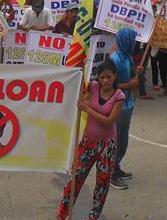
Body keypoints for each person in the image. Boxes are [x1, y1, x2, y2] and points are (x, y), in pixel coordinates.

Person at [56, 60, 125, 220]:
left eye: (109, 77)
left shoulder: (119, 96)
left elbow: (108, 121)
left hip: (107, 146)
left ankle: (93, 216)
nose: (105, 81)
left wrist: (88, 109)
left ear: (114, 76)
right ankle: (62, 214)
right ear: (98, 78)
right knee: (75, 179)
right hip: (88, 142)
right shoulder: (93, 87)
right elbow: (80, 93)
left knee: (102, 184)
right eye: (102, 77)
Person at [109, 27, 138, 189]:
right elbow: (110, 85)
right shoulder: (115, 60)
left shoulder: (128, 57)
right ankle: (110, 173)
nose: (134, 43)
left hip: (128, 104)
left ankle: (116, 166)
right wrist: (130, 84)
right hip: (119, 105)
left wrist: (136, 75)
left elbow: (132, 78)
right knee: (117, 140)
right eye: (132, 40)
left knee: (123, 140)